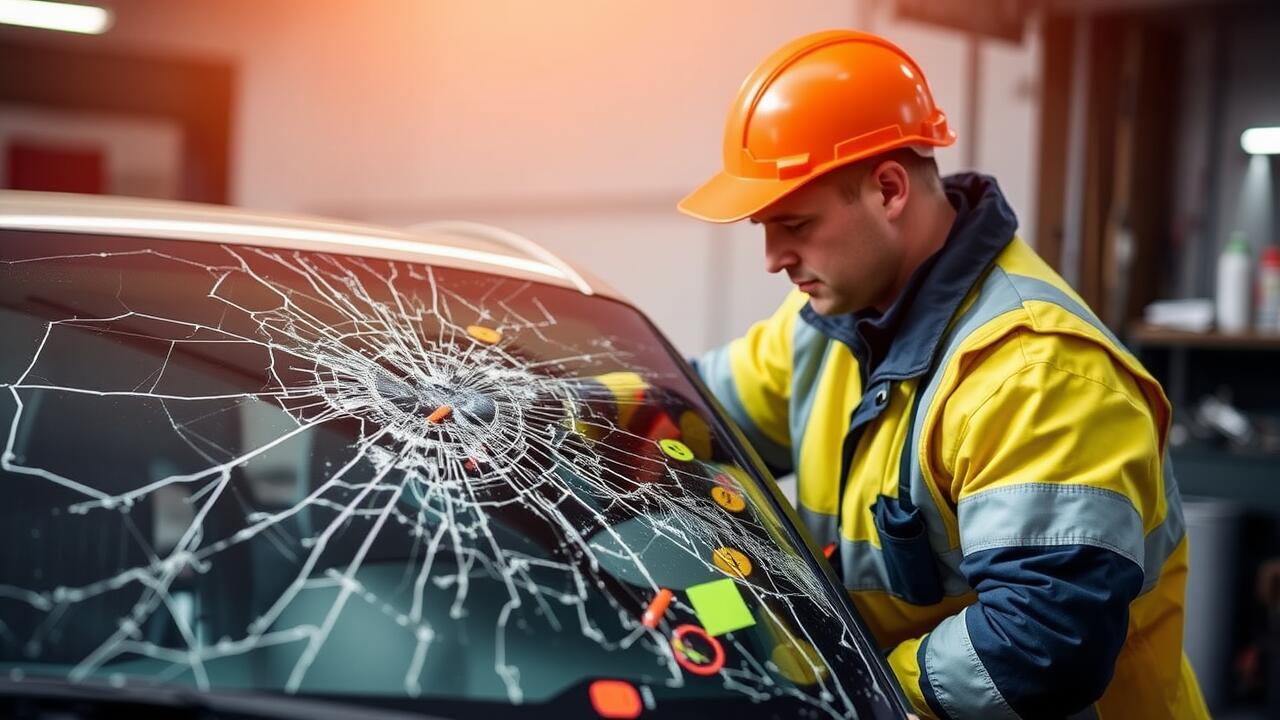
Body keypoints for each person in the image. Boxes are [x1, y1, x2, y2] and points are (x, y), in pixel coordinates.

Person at [678, 29, 1209, 719]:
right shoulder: (823, 324)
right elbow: (693, 406)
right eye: (763, 229)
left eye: (795, 224)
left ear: (889, 190)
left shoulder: (1037, 372)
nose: (773, 257)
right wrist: (552, 406)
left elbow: (1038, 645)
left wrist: (850, 687)